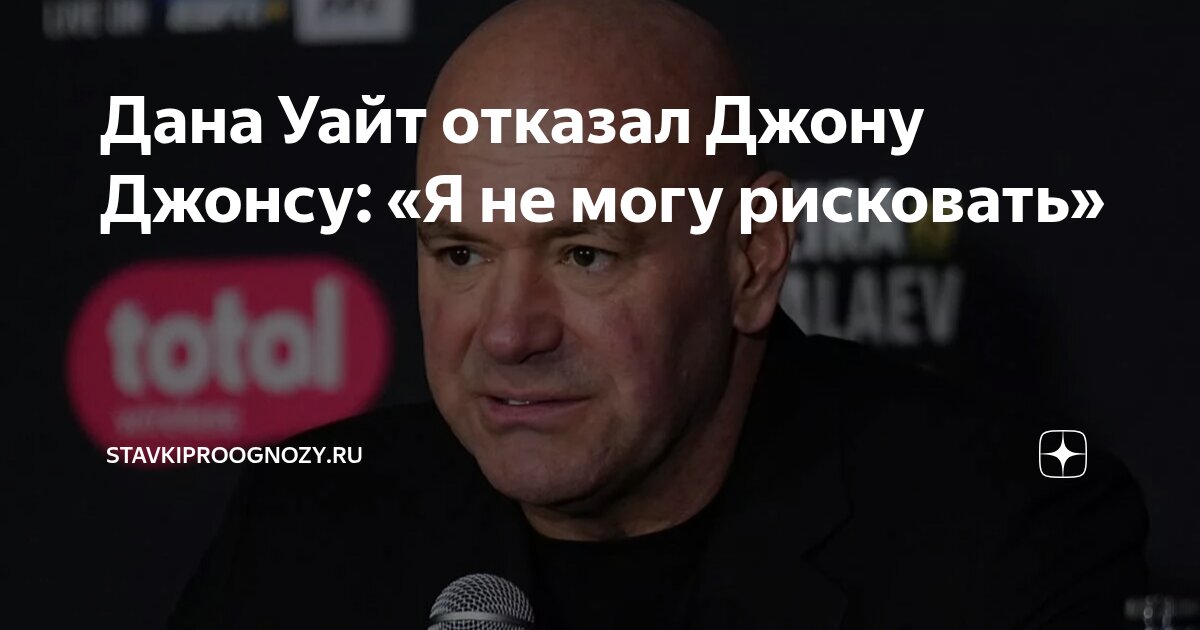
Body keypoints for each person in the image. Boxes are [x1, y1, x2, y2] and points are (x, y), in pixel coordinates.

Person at [168, 0, 1147, 628]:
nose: (507, 333)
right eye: (461, 253)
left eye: (585, 255)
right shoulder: (309, 531)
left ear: (751, 259)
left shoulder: (996, 532)